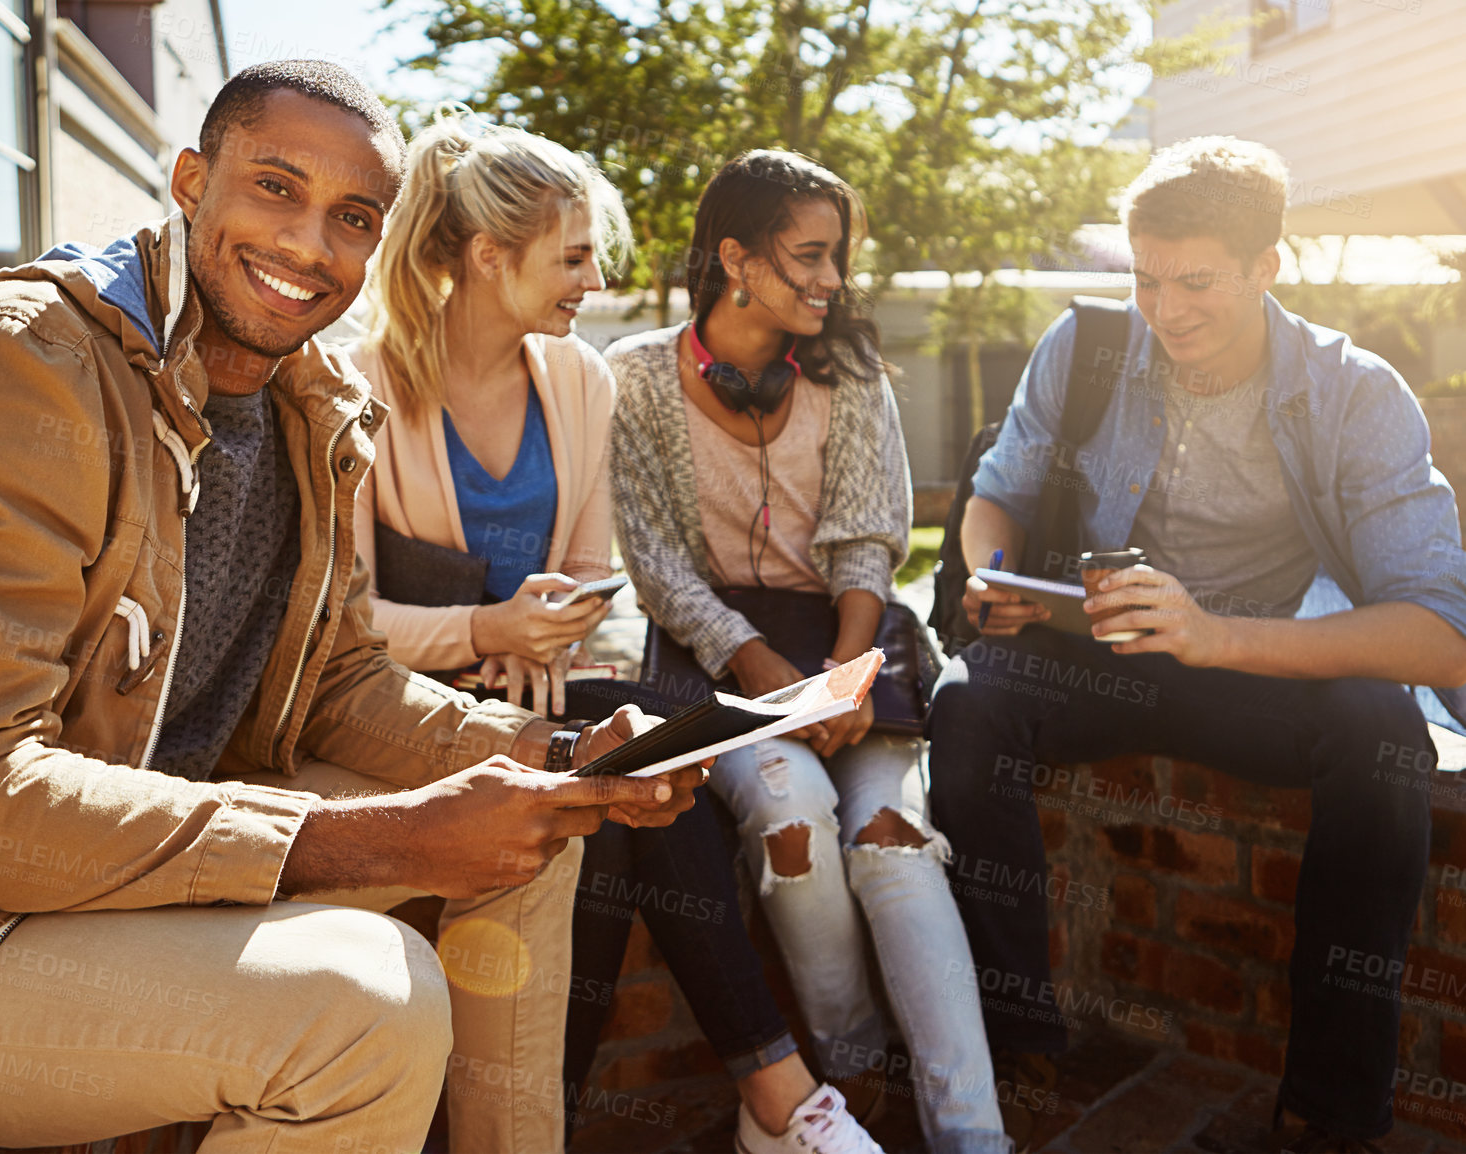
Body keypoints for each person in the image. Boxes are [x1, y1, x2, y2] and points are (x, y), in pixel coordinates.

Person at [0, 61, 701, 1154]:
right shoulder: (18, 364)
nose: (306, 244)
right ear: (192, 179)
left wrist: (545, 744)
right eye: (275, 187)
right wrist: (378, 836)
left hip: (104, 867)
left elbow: (334, 682)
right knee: (362, 1011)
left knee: (539, 821)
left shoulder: (305, 402)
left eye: (349, 217)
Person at [349, 114, 879, 1154]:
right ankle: (777, 1092)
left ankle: (653, 1106)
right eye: (573, 256)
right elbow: (339, 621)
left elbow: (594, 582)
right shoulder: (362, 384)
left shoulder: (578, 382)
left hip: (547, 700)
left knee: (623, 772)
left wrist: (542, 635)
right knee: (623, 767)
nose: (591, 282)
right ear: (488, 256)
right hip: (405, 710)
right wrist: (485, 626)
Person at [928, 136, 1466, 1153]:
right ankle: (1020, 1039)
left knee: (1384, 735)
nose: (1165, 311)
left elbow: (1442, 635)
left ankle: (1330, 1107)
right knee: (968, 701)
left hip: (1247, 664)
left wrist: (1214, 634)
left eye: (1197, 281)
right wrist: (999, 577)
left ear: (1267, 266)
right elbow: (997, 486)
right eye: (1145, 278)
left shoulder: (1356, 394)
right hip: (1105, 655)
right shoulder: (1086, 347)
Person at [609, 150, 1011, 1154]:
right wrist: (758, 670)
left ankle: (973, 1135)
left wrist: (846, 669)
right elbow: (652, 558)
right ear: (736, 259)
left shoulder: (854, 376)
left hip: (849, 638)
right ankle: (849, 1070)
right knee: (792, 817)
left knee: (893, 849)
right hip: (718, 658)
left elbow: (868, 541)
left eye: (839, 257)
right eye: (810, 256)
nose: (833, 279)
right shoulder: (632, 381)